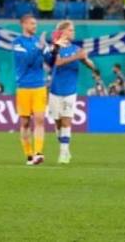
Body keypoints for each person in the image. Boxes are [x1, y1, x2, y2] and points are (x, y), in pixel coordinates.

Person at [12, 15, 59, 165]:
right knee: (25, 123)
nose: (35, 26)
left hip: (39, 85)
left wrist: (54, 50)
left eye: (36, 23)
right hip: (24, 87)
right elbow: (25, 61)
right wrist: (38, 48)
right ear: (23, 24)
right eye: (32, 23)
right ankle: (29, 155)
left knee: (39, 120)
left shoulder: (39, 41)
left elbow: (50, 63)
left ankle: (38, 153)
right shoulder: (17, 43)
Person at [49, 21, 96, 164]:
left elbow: (91, 65)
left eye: (73, 30)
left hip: (70, 91)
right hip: (55, 90)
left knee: (66, 121)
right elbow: (57, 63)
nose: (73, 32)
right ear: (62, 32)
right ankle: (65, 149)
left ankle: (63, 153)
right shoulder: (55, 48)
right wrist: (76, 57)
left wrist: (86, 61)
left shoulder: (77, 48)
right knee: (57, 123)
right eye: (70, 30)